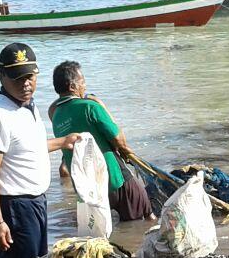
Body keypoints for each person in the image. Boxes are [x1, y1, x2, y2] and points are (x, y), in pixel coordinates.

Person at [0, 43, 81, 258]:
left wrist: (63, 142)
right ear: (1, 76)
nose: (26, 84)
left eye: (30, 77)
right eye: (17, 78)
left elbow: (28, 148)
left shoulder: (28, 107)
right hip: (13, 208)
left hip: (36, 203)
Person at [48, 61, 156, 222]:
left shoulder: (55, 115)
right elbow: (118, 138)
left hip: (86, 189)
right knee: (146, 216)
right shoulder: (90, 107)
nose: (85, 85)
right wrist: (102, 106)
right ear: (72, 86)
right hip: (114, 178)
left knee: (99, 231)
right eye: (82, 81)